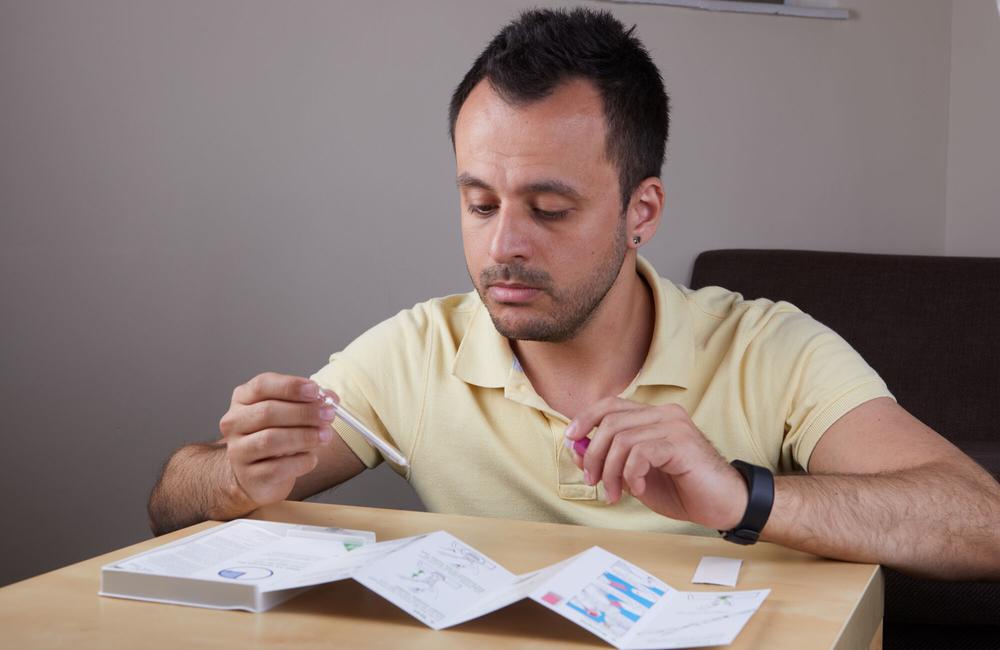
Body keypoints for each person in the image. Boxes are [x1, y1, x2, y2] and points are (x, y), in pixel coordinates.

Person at [148, 8, 1000, 579]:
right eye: (479, 203)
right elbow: (169, 500)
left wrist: (743, 497)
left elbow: (980, 520)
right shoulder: (419, 352)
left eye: (549, 209)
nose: (503, 246)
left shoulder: (770, 348)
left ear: (643, 210)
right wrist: (237, 477)